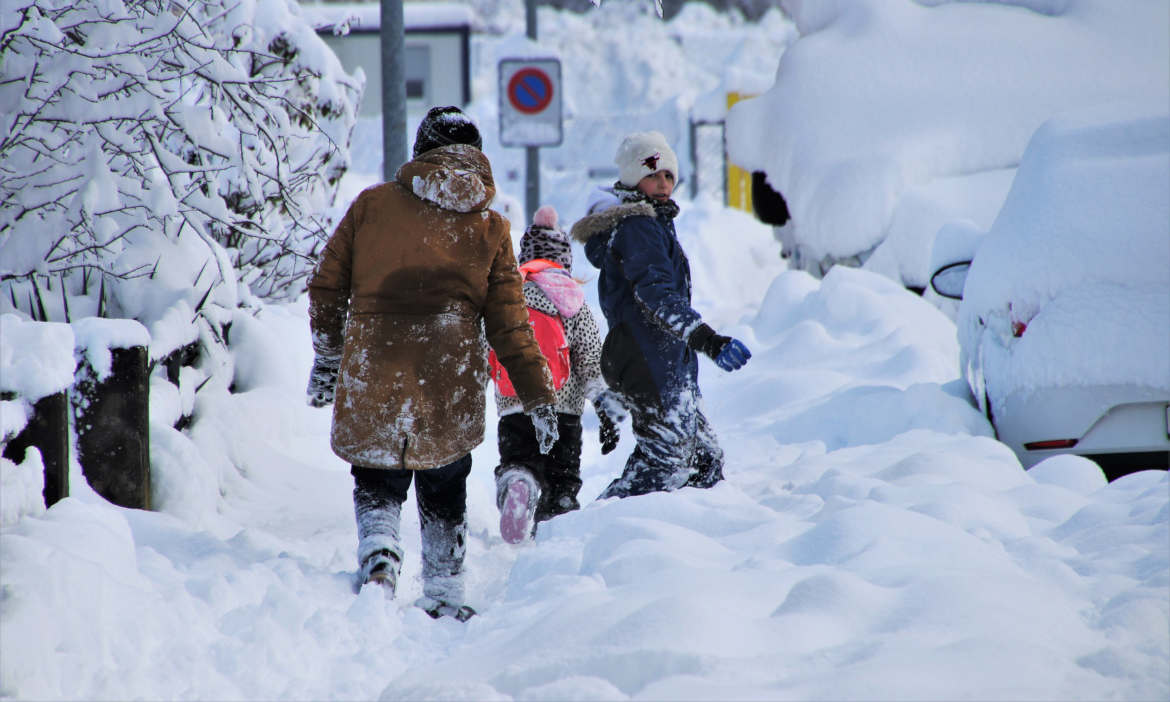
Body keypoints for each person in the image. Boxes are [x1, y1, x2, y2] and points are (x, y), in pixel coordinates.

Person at [305, 106, 559, 621]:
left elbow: (326, 286)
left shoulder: (372, 207)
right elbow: (511, 324)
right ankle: (443, 591)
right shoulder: (490, 228)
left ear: (420, 152)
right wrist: (538, 396)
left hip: (375, 364)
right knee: (445, 480)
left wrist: (330, 354)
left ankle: (379, 552)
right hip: (450, 374)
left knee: (377, 473)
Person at [570, 130, 751, 499]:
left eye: (668, 175)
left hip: (664, 357)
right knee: (666, 460)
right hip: (647, 357)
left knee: (703, 459)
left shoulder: (652, 224)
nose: (663, 183)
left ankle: (686, 538)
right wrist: (707, 339)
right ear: (634, 181)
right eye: (652, 175)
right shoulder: (638, 227)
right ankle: (599, 527)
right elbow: (657, 294)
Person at [489, 204, 626, 543]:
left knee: (518, 462)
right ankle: (556, 538)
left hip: (515, 406)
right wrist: (602, 404)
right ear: (565, 260)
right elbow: (591, 362)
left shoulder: (507, 297)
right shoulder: (574, 302)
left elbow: (485, 350)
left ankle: (518, 482)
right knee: (562, 480)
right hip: (564, 413)